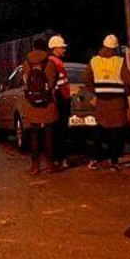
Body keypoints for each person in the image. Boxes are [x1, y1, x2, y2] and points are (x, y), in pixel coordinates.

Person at [19, 38, 66, 174]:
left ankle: (35, 165)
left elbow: (25, 82)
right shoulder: (50, 63)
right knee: (48, 134)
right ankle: (50, 164)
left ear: (33, 48)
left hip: (32, 103)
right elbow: (52, 83)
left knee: (34, 135)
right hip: (48, 103)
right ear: (46, 48)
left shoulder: (26, 64)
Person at [86, 34, 130, 168]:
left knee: (99, 131)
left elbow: (86, 78)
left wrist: (95, 90)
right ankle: (114, 161)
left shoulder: (94, 61)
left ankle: (94, 159)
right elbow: (128, 80)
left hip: (101, 101)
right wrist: (126, 92)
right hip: (117, 102)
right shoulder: (120, 61)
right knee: (116, 132)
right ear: (116, 47)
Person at [48, 34, 72, 168]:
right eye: (62, 48)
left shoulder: (50, 61)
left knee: (55, 131)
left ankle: (56, 158)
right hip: (60, 99)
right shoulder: (56, 62)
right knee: (61, 131)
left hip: (56, 99)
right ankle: (61, 158)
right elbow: (60, 84)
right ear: (55, 48)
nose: (64, 50)